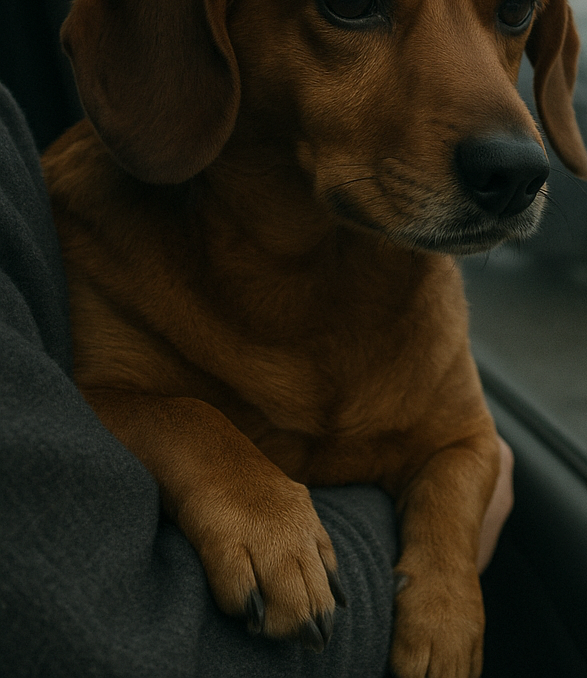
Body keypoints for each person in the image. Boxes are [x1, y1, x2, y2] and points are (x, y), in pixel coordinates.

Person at [0, 84, 512, 677]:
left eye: (513, 9)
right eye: (353, 1)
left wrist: (448, 565)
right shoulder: (92, 250)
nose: (515, 154)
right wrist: (209, 455)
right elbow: (66, 411)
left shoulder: (420, 293)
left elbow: (465, 443)